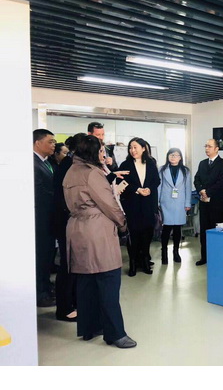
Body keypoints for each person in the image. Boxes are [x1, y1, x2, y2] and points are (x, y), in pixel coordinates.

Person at [63, 135, 136, 348]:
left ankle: (89, 327)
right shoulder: (92, 173)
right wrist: (123, 225)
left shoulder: (71, 171)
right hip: (97, 232)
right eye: (101, 151)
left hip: (76, 229)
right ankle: (115, 334)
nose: (103, 155)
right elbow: (110, 205)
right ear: (93, 152)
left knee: (86, 283)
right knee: (108, 281)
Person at [53, 133, 87, 322]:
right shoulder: (69, 166)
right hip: (66, 220)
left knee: (74, 264)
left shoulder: (72, 164)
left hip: (70, 220)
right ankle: (64, 308)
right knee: (68, 264)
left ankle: (72, 302)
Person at [118, 138, 161, 276]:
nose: (132, 150)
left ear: (143, 149)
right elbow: (120, 182)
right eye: (130, 147)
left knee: (146, 235)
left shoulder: (151, 163)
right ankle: (133, 263)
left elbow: (156, 180)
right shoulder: (125, 164)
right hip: (132, 205)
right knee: (134, 236)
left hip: (148, 205)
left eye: (135, 147)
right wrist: (137, 189)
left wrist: (149, 188)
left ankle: (145, 262)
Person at [193, 139, 223, 266]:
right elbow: (196, 179)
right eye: (206, 146)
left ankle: (216, 257)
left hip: (217, 203)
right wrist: (200, 190)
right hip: (204, 203)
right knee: (204, 231)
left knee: (216, 230)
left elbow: (221, 182)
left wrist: (207, 192)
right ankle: (204, 256)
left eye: (209, 146)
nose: (207, 148)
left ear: (217, 148)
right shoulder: (202, 163)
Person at [33, 129, 57, 308]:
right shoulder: (32, 164)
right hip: (40, 220)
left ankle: (46, 286)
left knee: (48, 255)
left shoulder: (46, 162)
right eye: (50, 142)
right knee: (41, 256)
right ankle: (40, 293)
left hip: (49, 218)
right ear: (37, 143)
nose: (53, 145)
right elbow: (40, 194)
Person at [158, 148, 192, 264]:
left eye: (176, 155)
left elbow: (188, 188)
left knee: (177, 228)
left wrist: (187, 203)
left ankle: (176, 252)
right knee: (166, 229)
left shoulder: (185, 171)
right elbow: (159, 187)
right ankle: (164, 253)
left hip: (179, 203)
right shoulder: (162, 169)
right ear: (168, 156)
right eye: (171, 155)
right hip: (166, 202)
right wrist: (157, 202)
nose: (173, 157)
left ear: (180, 157)